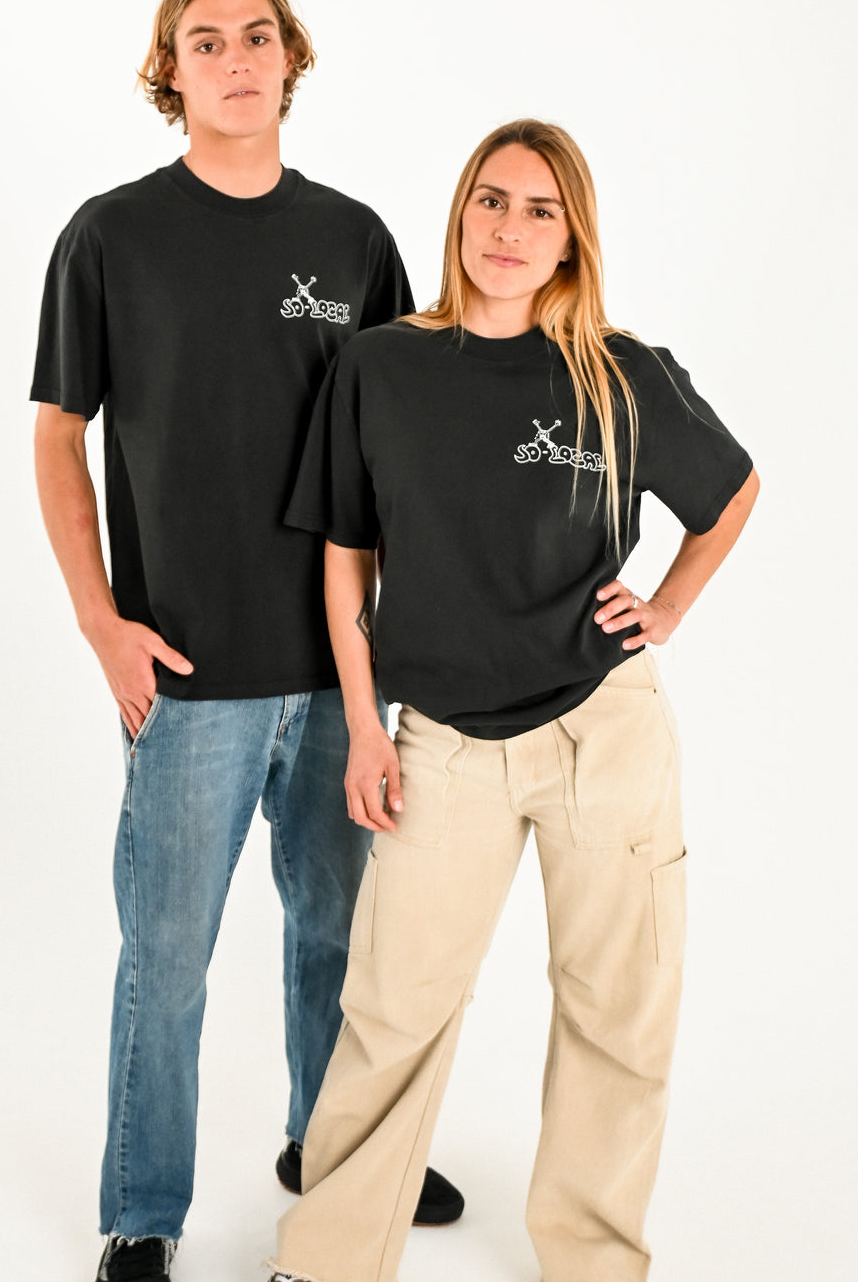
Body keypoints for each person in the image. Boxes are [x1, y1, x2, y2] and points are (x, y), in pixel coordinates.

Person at [29, 0, 462, 1282]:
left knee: (340, 937)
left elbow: (411, 449)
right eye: (205, 40)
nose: (235, 57)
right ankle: (143, 1213)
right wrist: (103, 622)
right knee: (168, 958)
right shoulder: (110, 235)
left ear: (291, 59)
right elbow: (58, 437)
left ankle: (325, 1154)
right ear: (172, 70)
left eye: (257, 35)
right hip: (187, 675)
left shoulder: (354, 242)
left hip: (338, 670)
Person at [270, 118, 759, 1282]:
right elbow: (346, 554)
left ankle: (591, 1261)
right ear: (460, 214)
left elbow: (731, 492)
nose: (509, 227)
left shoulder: (618, 372)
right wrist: (358, 724)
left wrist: (671, 605)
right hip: (441, 744)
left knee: (614, 1014)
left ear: (570, 236)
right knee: (391, 1012)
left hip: (604, 731)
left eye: (540, 210)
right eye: (492, 200)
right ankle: (328, 1258)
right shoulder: (382, 365)